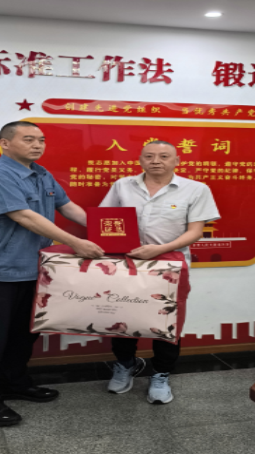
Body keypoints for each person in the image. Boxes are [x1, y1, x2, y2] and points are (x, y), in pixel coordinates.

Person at [0, 121, 104, 427]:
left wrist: (109, 232)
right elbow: (23, 216)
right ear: (4, 143)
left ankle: (14, 383)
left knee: (25, 334)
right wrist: (76, 242)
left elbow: (68, 207)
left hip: (36, 268)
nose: (37, 145)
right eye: (28, 139)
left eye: (41, 139)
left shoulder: (42, 174)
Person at [99, 140, 220, 404]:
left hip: (169, 266)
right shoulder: (122, 185)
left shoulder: (196, 189)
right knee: (122, 317)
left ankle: (161, 374)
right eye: (149, 156)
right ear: (140, 160)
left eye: (164, 156)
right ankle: (125, 365)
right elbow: (105, 220)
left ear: (177, 161)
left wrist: (159, 249)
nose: (156, 161)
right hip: (127, 264)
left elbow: (195, 232)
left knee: (167, 323)